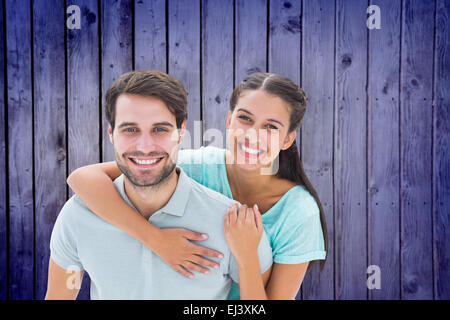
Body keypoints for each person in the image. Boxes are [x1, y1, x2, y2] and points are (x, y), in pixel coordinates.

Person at [67, 72, 328, 300]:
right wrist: (156, 240)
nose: (252, 135)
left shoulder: (298, 212)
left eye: (270, 126)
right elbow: (82, 178)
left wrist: (246, 254)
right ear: (228, 121)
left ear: (288, 139)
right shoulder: (200, 166)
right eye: (245, 119)